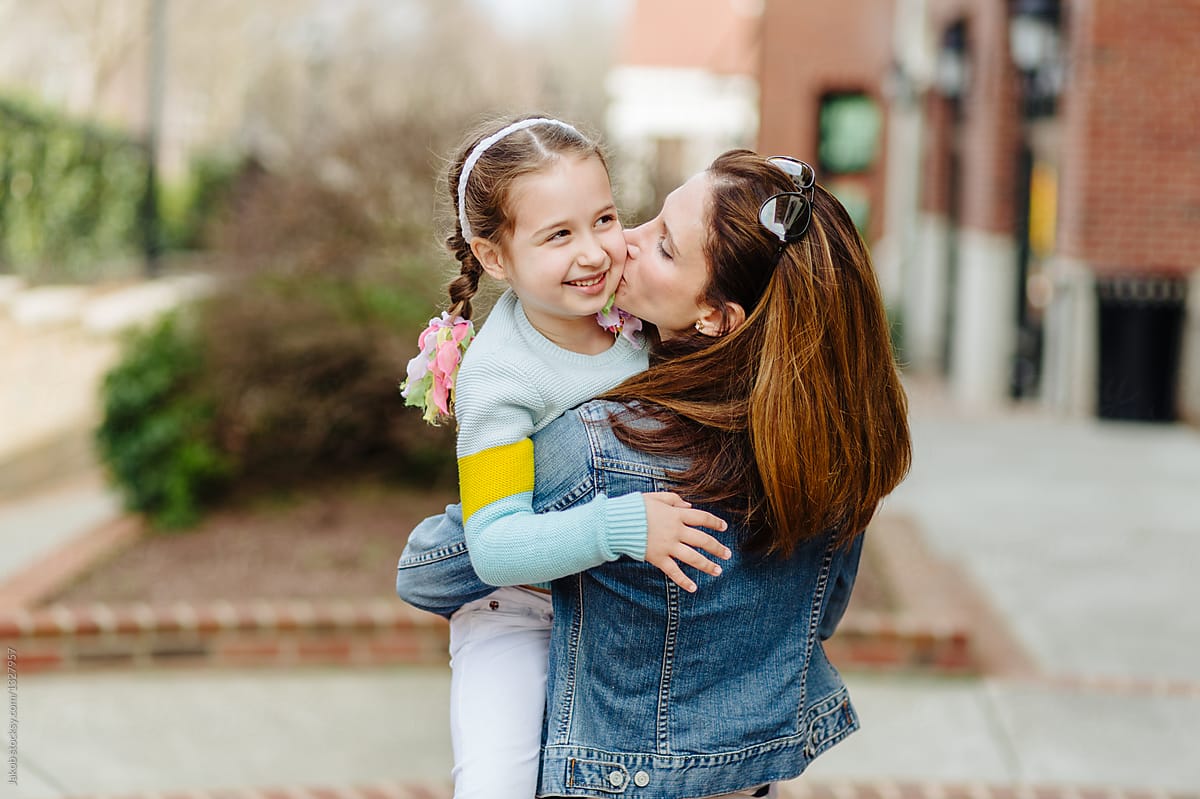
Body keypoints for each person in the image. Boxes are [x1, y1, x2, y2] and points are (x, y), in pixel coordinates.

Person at [397, 149, 912, 798]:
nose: (623, 245)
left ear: (716, 318)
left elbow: (435, 565)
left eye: (663, 245)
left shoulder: (609, 446)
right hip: (745, 773)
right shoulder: (839, 454)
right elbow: (818, 617)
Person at [398, 115, 732, 799]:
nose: (594, 253)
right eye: (559, 235)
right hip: (519, 612)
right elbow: (494, 543)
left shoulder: (636, 318)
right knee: (499, 782)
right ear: (494, 257)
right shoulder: (501, 375)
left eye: (604, 219)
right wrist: (622, 525)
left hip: (620, 609)